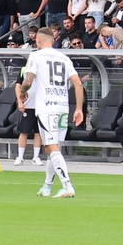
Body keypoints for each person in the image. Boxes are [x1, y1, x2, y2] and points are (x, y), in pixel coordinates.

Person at [19, 28, 84, 198]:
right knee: (52, 147)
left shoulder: (36, 56)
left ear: (38, 40)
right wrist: (78, 108)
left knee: (51, 147)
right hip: (63, 106)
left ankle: (67, 185)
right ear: (53, 40)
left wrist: (23, 91)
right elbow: (78, 84)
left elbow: (28, 79)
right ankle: (47, 187)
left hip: (47, 107)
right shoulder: (63, 57)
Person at [14, 63, 43, 166]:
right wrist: (20, 102)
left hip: (40, 106)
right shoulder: (24, 70)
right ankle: (20, 157)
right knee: (23, 131)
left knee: (38, 132)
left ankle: (36, 157)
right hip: (27, 105)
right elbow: (18, 86)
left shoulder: (43, 69)